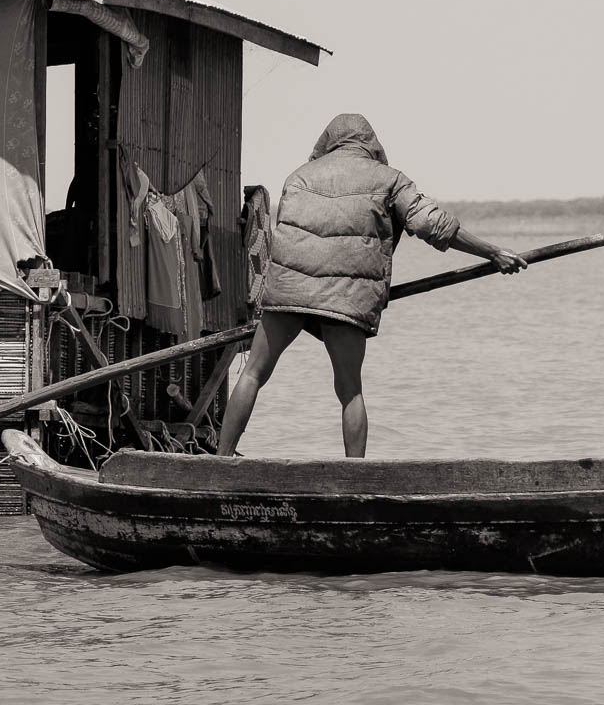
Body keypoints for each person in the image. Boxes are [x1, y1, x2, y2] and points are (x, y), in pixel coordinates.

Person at [217, 114, 527, 458]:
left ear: (328, 142)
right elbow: (432, 224)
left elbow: (292, 237)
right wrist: (492, 252)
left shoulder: (297, 177)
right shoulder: (389, 179)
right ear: (372, 145)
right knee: (350, 390)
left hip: (288, 292)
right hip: (345, 298)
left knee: (253, 374)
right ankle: (353, 477)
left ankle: (220, 462)